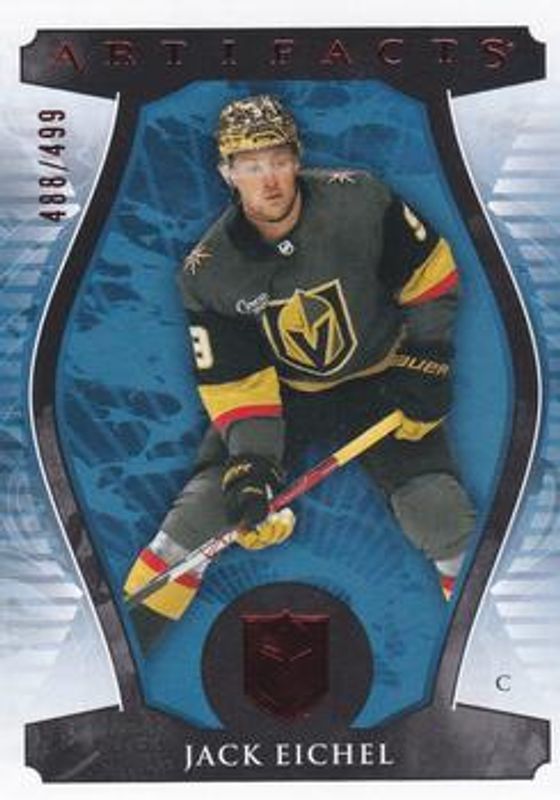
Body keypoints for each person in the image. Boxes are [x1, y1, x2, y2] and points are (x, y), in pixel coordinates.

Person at [124, 94, 475, 650]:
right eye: (250, 165)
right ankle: (117, 652)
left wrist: (428, 357)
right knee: (200, 518)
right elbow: (239, 386)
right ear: (227, 173)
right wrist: (254, 468)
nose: (269, 180)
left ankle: (490, 644)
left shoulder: (360, 199)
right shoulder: (208, 272)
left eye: (278, 160)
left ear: (297, 158)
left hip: (381, 376)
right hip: (284, 395)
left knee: (439, 514)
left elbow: (431, 277)